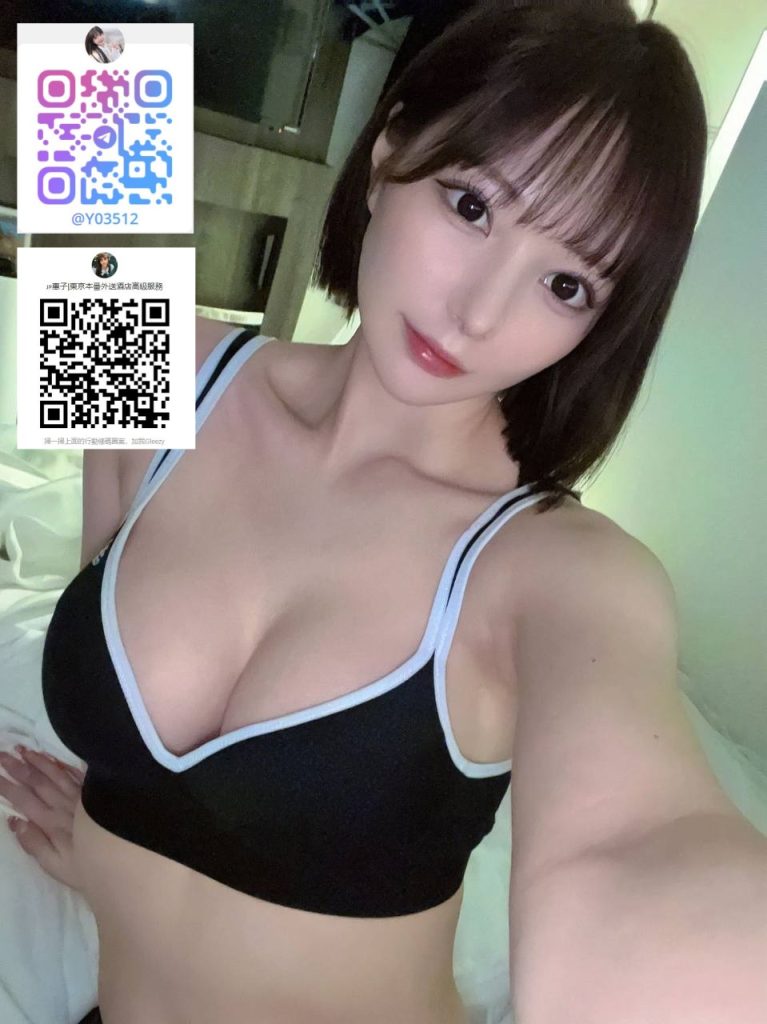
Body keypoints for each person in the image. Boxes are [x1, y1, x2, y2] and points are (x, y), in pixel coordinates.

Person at [3, 3, 765, 1023]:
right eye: (470, 205)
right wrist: (114, 847)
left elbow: (635, 846)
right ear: (388, 151)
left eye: (565, 283)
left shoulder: (560, 571)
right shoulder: (163, 358)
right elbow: (101, 81)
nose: (478, 313)